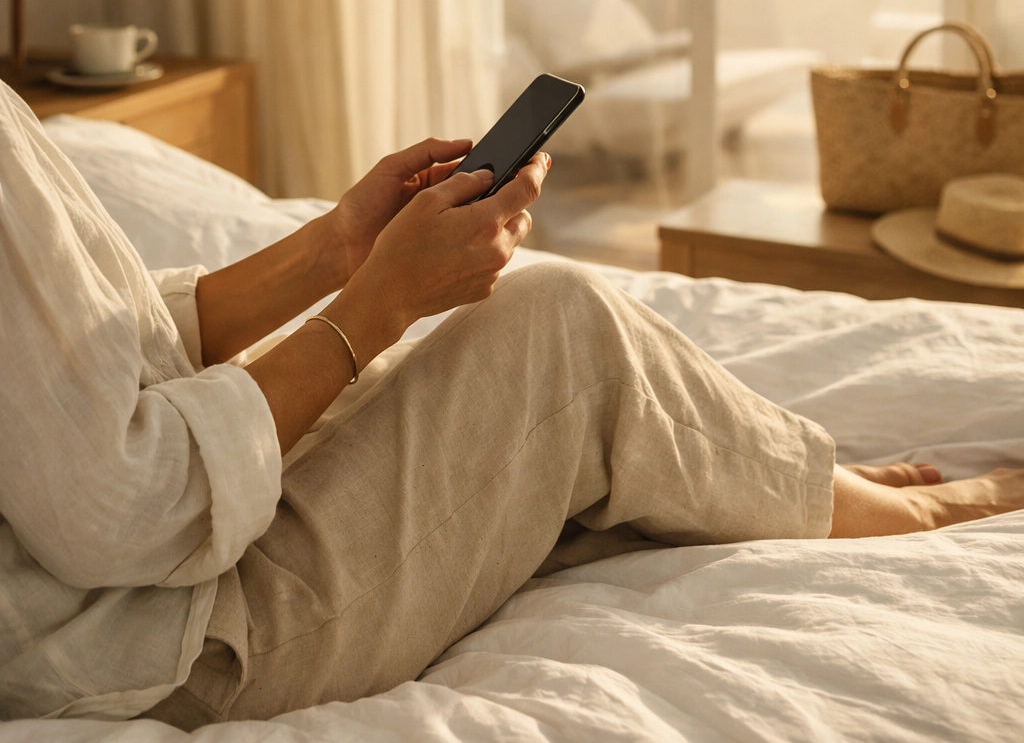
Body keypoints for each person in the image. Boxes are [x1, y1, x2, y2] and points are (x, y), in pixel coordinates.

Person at [0, 81, 1021, 728]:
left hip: (159, 579)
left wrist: (332, 251)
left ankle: (790, 479)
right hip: (168, 638)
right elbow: (123, 512)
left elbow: (91, 359)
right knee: (566, 334)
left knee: (533, 372)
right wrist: (378, 304)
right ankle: (912, 508)